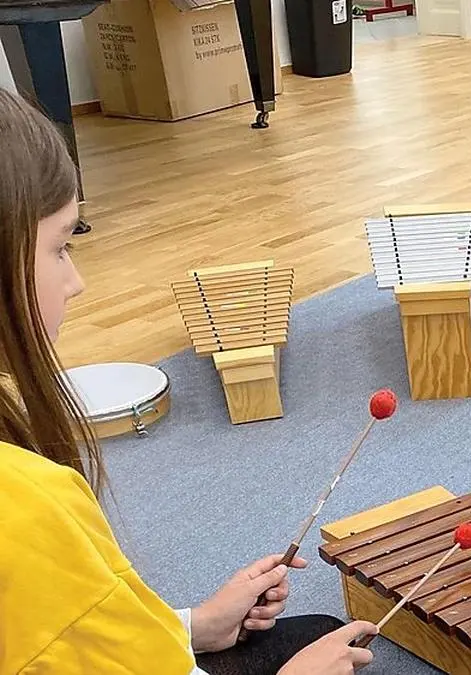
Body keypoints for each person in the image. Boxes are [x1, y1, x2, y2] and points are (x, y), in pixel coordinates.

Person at [0, 89, 379, 673]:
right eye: (58, 248)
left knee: (319, 632)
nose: (75, 282)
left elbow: (54, 641)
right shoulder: (23, 507)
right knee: (326, 652)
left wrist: (190, 627)